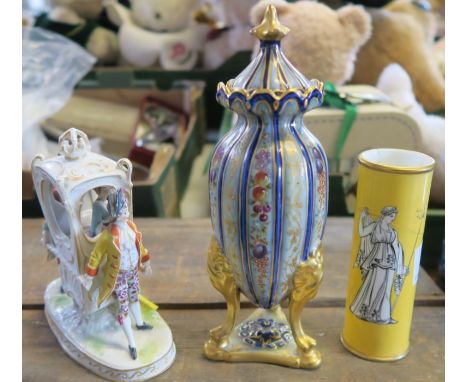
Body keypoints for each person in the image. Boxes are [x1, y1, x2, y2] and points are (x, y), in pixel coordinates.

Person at [80, 188, 153, 360]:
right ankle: (132, 343)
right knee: (123, 306)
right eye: (122, 208)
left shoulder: (132, 227)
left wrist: (145, 262)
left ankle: (140, 323)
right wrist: (89, 276)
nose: (125, 211)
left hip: (133, 273)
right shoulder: (108, 237)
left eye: (125, 207)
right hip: (118, 276)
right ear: (114, 212)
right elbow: (96, 256)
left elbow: (140, 247)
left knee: (135, 296)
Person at [350, 206, 408, 324]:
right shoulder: (375, 226)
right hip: (377, 261)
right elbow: (362, 233)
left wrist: (400, 265)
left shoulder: (393, 232)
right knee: (375, 288)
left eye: (394, 217)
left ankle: (385, 316)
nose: (392, 219)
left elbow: (396, 248)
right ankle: (370, 314)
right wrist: (361, 217)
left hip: (390, 262)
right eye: (391, 216)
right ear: (385, 215)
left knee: (387, 290)